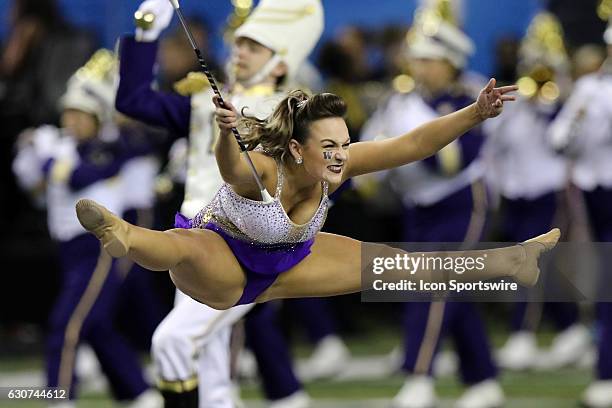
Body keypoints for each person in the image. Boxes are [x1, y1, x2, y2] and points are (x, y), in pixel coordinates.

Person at [76, 74, 560, 310]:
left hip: (290, 261)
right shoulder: (264, 170)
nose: (340, 155)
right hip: (224, 266)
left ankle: (511, 262)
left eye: (345, 143)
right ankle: (123, 234)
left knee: (397, 266)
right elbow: (228, 170)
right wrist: (224, 133)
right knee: (184, 246)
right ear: (295, 148)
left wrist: (474, 114)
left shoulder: (341, 164)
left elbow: (412, 144)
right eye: (328, 146)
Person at [116, 0, 323, 406]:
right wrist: (146, 34)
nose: (239, 51)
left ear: (280, 63)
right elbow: (133, 101)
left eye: (254, 46)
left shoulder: (295, 119)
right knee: (210, 366)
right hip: (193, 242)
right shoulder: (203, 102)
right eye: (239, 43)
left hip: (246, 253)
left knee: (173, 341)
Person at [360, 7, 503, 407]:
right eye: (417, 58)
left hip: (461, 201)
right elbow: (372, 149)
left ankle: (419, 374)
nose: (418, 67)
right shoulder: (401, 100)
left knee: (437, 288)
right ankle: (483, 379)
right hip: (418, 206)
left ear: (450, 63)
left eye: (428, 60)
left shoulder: (471, 98)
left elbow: (450, 163)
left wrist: (405, 142)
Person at [12, 49, 162, 408]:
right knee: (95, 324)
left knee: (67, 325)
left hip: (98, 247)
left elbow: (77, 177)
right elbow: (31, 186)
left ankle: (59, 399)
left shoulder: (105, 148)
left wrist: (47, 156)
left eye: (82, 115)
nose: (72, 121)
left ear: (98, 119)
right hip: (68, 249)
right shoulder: (63, 145)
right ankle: (137, 393)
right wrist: (30, 150)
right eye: (69, 113)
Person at [486, 12, 590, 373]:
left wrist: (548, 106)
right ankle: (571, 327)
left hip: (551, 189)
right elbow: (497, 143)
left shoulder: (566, 102)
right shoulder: (518, 102)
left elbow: (564, 142)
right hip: (518, 191)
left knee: (530, 262)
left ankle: (523, 334)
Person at [548, 17, 612, 408]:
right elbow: (557, 140)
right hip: (600, 197)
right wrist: (578, 124)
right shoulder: (590, 88)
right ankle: (606, 373)